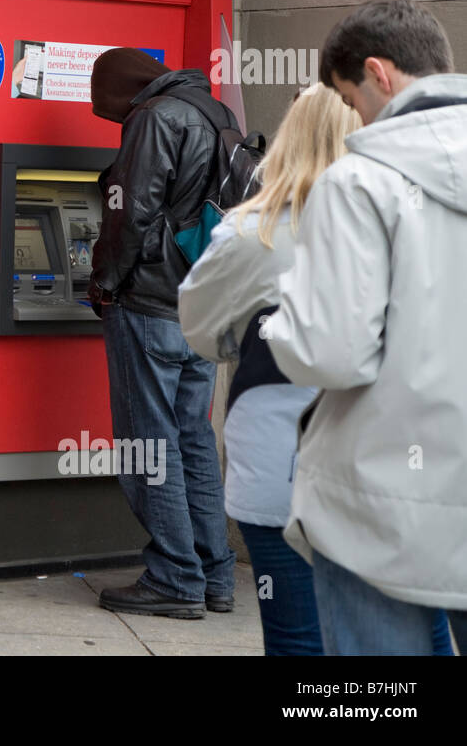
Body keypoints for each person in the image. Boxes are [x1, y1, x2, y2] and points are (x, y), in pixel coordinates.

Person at [263, 0, 467, 654]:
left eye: (351, 100)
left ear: (377, 72)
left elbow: (331, 352)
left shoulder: (359, 181)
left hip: (378, 501)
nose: (355, 119)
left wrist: (284, 323)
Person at [177, 84, 358, 653]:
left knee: (295, 639)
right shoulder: (408, 226)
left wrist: (250, 336)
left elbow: (201, 327)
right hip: (389, 471)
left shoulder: (250, 232)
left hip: (275, 466)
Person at [87, 47, 237, 619]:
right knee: (193, 437)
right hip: (202, 304)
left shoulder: (153, 118)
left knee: (150, 443)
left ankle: (175, 577)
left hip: (149, 302)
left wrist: (103, 281)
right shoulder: (215, 112)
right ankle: (213, 572)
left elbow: (131, 211)